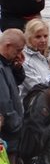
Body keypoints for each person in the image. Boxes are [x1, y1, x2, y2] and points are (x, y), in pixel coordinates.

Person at [0, 28, 25, 163]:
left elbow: (17, 82)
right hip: (9, 135)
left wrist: (18, 68)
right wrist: (17, 124)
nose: (19, 54)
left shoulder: (7, 63)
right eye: (18, 50)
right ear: (7, 46)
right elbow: (4, 103)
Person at [20, 18, 50, 97]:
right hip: (34, 103)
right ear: (29, 38)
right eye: (38, 37)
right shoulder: (24, 60)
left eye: (45, 36)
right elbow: (37, 87)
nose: (43, 40)